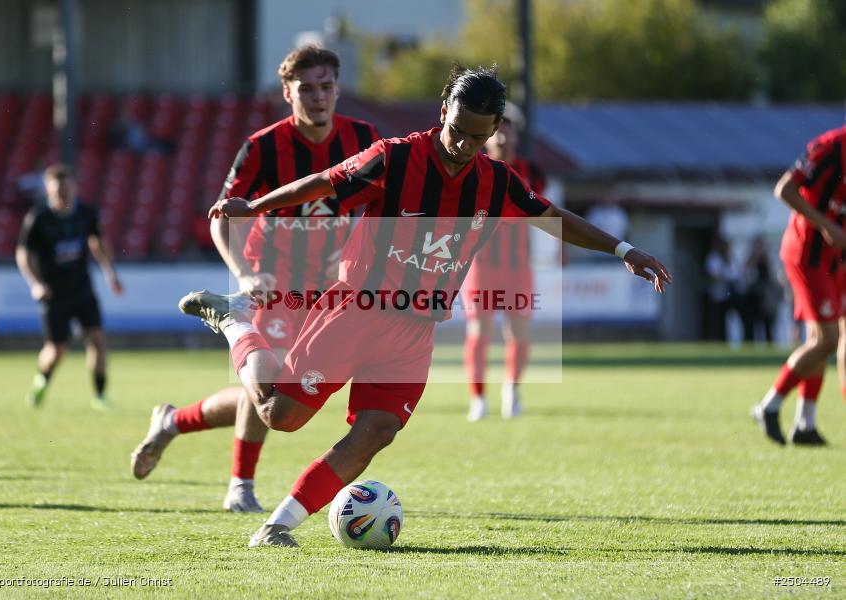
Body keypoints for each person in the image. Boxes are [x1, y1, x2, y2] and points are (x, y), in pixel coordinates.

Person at [181, 65, 671, 547]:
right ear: (443, 113)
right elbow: (324, 182)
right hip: (356, 310)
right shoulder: (393, 157)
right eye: (457, 131)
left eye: (476, 137)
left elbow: (554, 216)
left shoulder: (497, 182)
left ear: (493, 132)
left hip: (414, 331)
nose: (462, 145)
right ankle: (236, 321)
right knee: (280, 415)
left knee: (377, 429)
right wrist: (255, 207)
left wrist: (625, 251)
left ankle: (277, 526)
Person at [129, 45, 380, 513]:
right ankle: (240, 487)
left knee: (284, 398)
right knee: (267, 377)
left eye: (326, 87)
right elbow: (221, 217)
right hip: (274, 278)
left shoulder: (364, 138)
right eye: (307, 89)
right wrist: (244, 274)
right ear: (288, 93)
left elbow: (381, 206)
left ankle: (173, 421)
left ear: (338, 89)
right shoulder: (264, 146)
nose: (318, 97)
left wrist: (356, 256)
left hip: (331, 288)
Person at [751, 124, 846, 446]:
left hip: (836, 258)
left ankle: (805, 424)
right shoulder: (831, 147)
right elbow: (785, 189)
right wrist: (825, 225)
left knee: (821, 339)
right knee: (828, 339)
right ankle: (768, 405)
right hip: (808, 254)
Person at [16, 163, 123, 409]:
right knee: (57, 350)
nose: (64, 194)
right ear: (48, 190)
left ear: (74, 188)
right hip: (54, 294)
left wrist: (111, 274)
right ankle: (41, 381)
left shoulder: (86, 213)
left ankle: (99, 396)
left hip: (82, 289)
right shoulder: (38, 219)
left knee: (97, 339)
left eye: (67, 189)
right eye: (58, 190)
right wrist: (36, 284)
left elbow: (98, 243)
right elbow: (23, 255)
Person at [462, 102, 544, 421]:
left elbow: (544, 213)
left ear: (516, 135)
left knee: (520, 333)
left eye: (507, 131)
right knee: (478, 331)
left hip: (518, 266)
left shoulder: (531, 172)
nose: (502, 138)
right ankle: (478, 399)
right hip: (482, 265)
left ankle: (512, 389)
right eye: (496, 132)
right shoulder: (472, 168)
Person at [704, 234, 738, 342]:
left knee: (730, 319)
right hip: (718, 295)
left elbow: (735, 273)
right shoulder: (714, 257)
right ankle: (719, 339)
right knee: (718, 320)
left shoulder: (729, 258)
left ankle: (728, 339)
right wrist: (725, 278)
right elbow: (715, 275)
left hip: (729, 294)